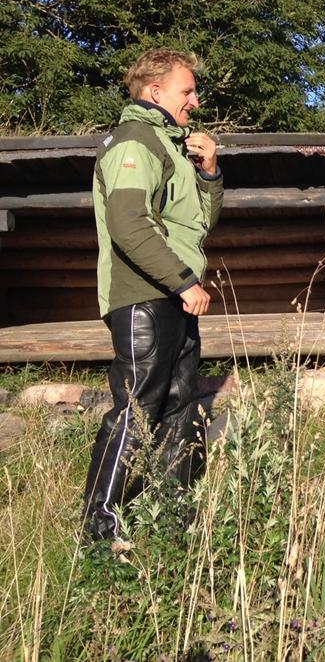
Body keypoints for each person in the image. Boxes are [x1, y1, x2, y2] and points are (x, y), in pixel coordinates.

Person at [82, 48, 223, 541]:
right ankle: (99, 529)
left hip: (174, 293)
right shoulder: (135, 141)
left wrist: (208, 172)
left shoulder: (173, 145)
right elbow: (128, 224)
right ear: (155, 91)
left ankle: (170, 521)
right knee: (137, 407)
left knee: (181, 403)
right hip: (144, 293)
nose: (195, 101)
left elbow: (195, 225)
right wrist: (183, 280)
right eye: (187, 91)